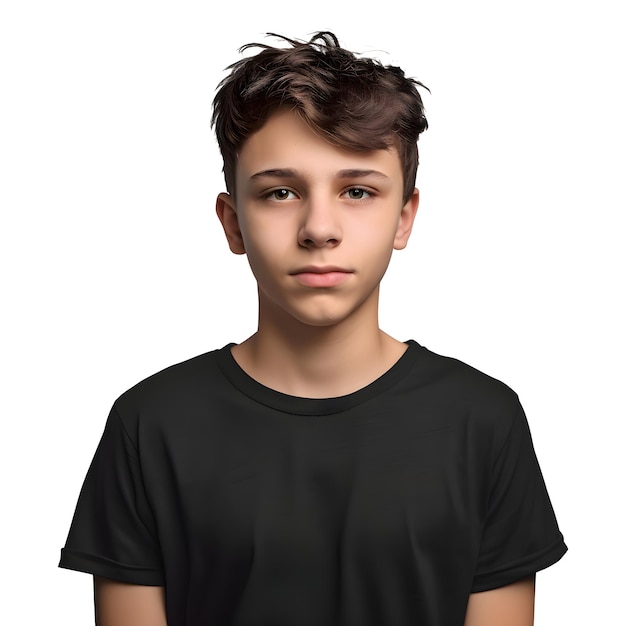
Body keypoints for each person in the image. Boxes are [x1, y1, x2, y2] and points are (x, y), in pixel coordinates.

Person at [59, 32, 567, 626]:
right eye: (280, 192)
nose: (319, 228)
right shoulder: (149, 425)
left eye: (357, 191)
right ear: (233, 223)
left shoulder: (483, 420)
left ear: (404, 216)